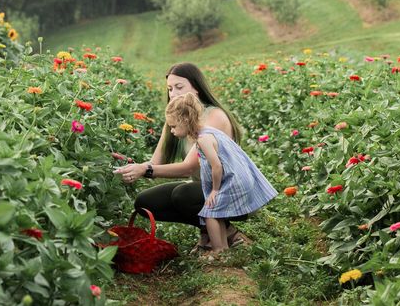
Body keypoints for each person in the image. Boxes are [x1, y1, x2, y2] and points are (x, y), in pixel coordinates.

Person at [113, 62, 249, 251]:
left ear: (196, 88)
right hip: (205, 187)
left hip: (229, 189)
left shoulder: (213, 116)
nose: (174, 94)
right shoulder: (177, 119)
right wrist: (130, 164)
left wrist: (145, 169)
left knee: (183, 195)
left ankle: (227, 235)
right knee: (145, 202)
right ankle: (208, 233)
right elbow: (155, 163)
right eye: (170, 89)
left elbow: (189, 168)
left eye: (179, 87)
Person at [166, 93, 278, 255]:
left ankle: (218, 251)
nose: (171, 130)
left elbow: (216, 166)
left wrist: (215, 190)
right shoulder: (208, 131)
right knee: (216, 213)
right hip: (237, 178)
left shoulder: (203, 139)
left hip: (232, 181)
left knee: (210, 213)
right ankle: (224, 249)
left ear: (184, 121)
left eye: (173, 126)